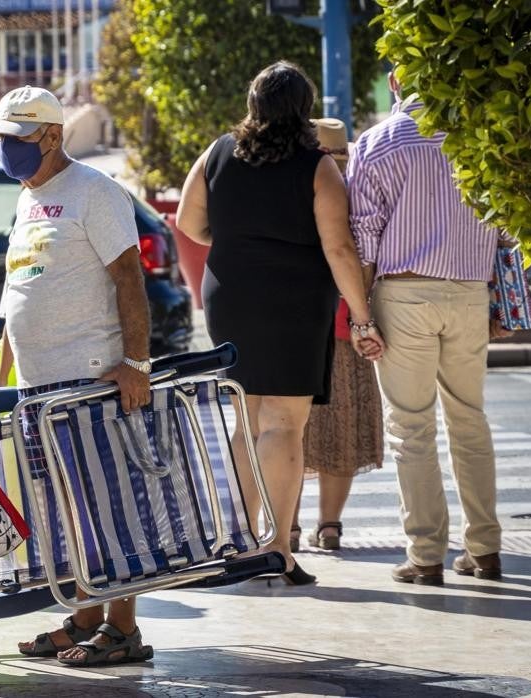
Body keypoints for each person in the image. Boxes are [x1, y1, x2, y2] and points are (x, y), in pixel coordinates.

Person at [176, 62, 383, 585]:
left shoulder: (218, 152)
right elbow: (338, 248)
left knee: (246, 422)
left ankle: (240, 542)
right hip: (294, 299)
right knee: (284, 424)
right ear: (303, 108)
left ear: (254, 103)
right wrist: (361, 316)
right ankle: (277, 548)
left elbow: (189, 222)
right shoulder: (317, 166)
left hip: (231, 294)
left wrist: (237, 243)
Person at [0, 86, 155, 666]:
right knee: (64, 510)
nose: (7, 151)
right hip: (38, 385)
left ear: (52, 136)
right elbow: (22, 288)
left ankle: (124, 627)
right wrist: (5, 363)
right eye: (2, 140)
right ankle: (85, 619)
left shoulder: (95, 192)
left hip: (90, 380)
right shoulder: (28, 197)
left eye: (17, 140)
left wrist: (135, 364)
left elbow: (129, 280)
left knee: (108, 506)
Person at [349, 73, 507, 585]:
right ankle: (484, 549)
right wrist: (504, 304)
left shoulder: (376, 143)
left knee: (411, 427)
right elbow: (507, 230)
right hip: (469, 292)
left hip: (404, 294)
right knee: (470, 420)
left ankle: (425, 556)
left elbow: (364, 240)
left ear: (395, 81)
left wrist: (361, 317)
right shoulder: (482, 136)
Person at [291, 118, 384, 552]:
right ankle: (330, 527)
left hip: (297, 328)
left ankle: (285, 525)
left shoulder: (292, 190)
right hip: (349, 326)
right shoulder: (359, 196)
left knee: (288, 431)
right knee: (342, 431)